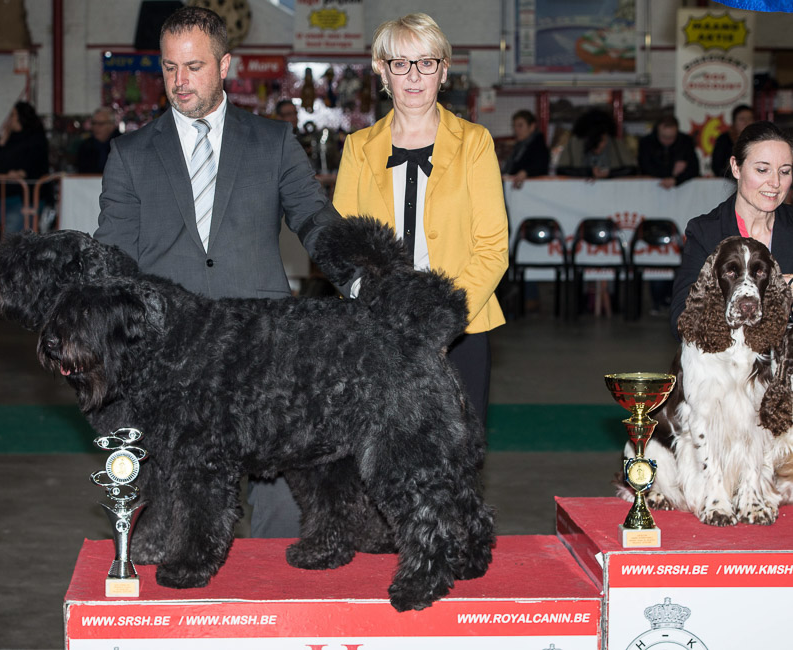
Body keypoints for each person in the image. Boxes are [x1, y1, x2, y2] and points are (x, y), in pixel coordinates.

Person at [93, 6, 346, 539]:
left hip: (264, 346)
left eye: (194, 67)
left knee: (283, 510)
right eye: (169, 68)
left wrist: (362, 279)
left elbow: (315, 219)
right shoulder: (131, 154)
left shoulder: (273, 142)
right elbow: (111, 256)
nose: (179, 82)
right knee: (181, 517)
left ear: (225, 64)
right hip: (169, 353)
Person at [333, 13, 509, 426]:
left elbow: (492, 247)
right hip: (377, 331)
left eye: (426, 62)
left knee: (457, 461)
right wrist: (376, 310)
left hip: (460, 329)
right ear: (383, 70)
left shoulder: (475, 143)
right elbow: (341, 246)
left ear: (443, 71)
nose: (413, 76)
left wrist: (441, 321)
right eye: (400, 63)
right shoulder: (357, 147)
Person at [670, 121, 793, 338]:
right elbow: (682, 319)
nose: (775, 182)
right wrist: (771, 291)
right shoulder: (705, 232)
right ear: (736, 167)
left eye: (785, 171)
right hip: (728, 366)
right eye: (762, 170)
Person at [0, 101, 49, 234]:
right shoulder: (9, 139)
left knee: (15, 238)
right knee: (8, 237)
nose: (10, 119)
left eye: (13, 115)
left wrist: (21, 172)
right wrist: (3, 139)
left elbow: (35, 163)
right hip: (3, 195)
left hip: (23, 197)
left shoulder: (35, 138)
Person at [555, 109, 636, 179]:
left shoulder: (615, 143)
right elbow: (561, 170)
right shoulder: (574, 143)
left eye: (603, 140)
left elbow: (632, 170)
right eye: (596, 142)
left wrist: (609, 173)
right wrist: (589, 172)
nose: (601, 145)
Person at [637, 115, 700, 189]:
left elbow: (694, 168)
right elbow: (645, 168)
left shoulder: (685, 142)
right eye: (663, 136)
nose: (667, 141)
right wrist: (673, 173)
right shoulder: (646, 143)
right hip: (651, 188)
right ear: (657, 131)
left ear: (677, 132)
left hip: (682, 189)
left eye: (671, 137)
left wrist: (676, 180)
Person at [502, 109, 550, 189]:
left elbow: (540, 165)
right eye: (514, 126)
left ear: (532, 127)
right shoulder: (519, 146)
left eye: (520, 125)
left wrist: (526, 172)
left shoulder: (539, 146)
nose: (516, 129)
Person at [711, 104, 755, 178]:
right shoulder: (724, 139)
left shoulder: (758, 139)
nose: (746, 122)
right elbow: (717, 166)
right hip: (728, 181)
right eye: (742, 119)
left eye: (749, 119)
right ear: (734, 122)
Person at [76, 107, 119, 174]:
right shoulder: (85, 147)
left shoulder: (122, 145)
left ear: (112, 125)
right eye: (94, 123)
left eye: (100, 124)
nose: (96, 127)